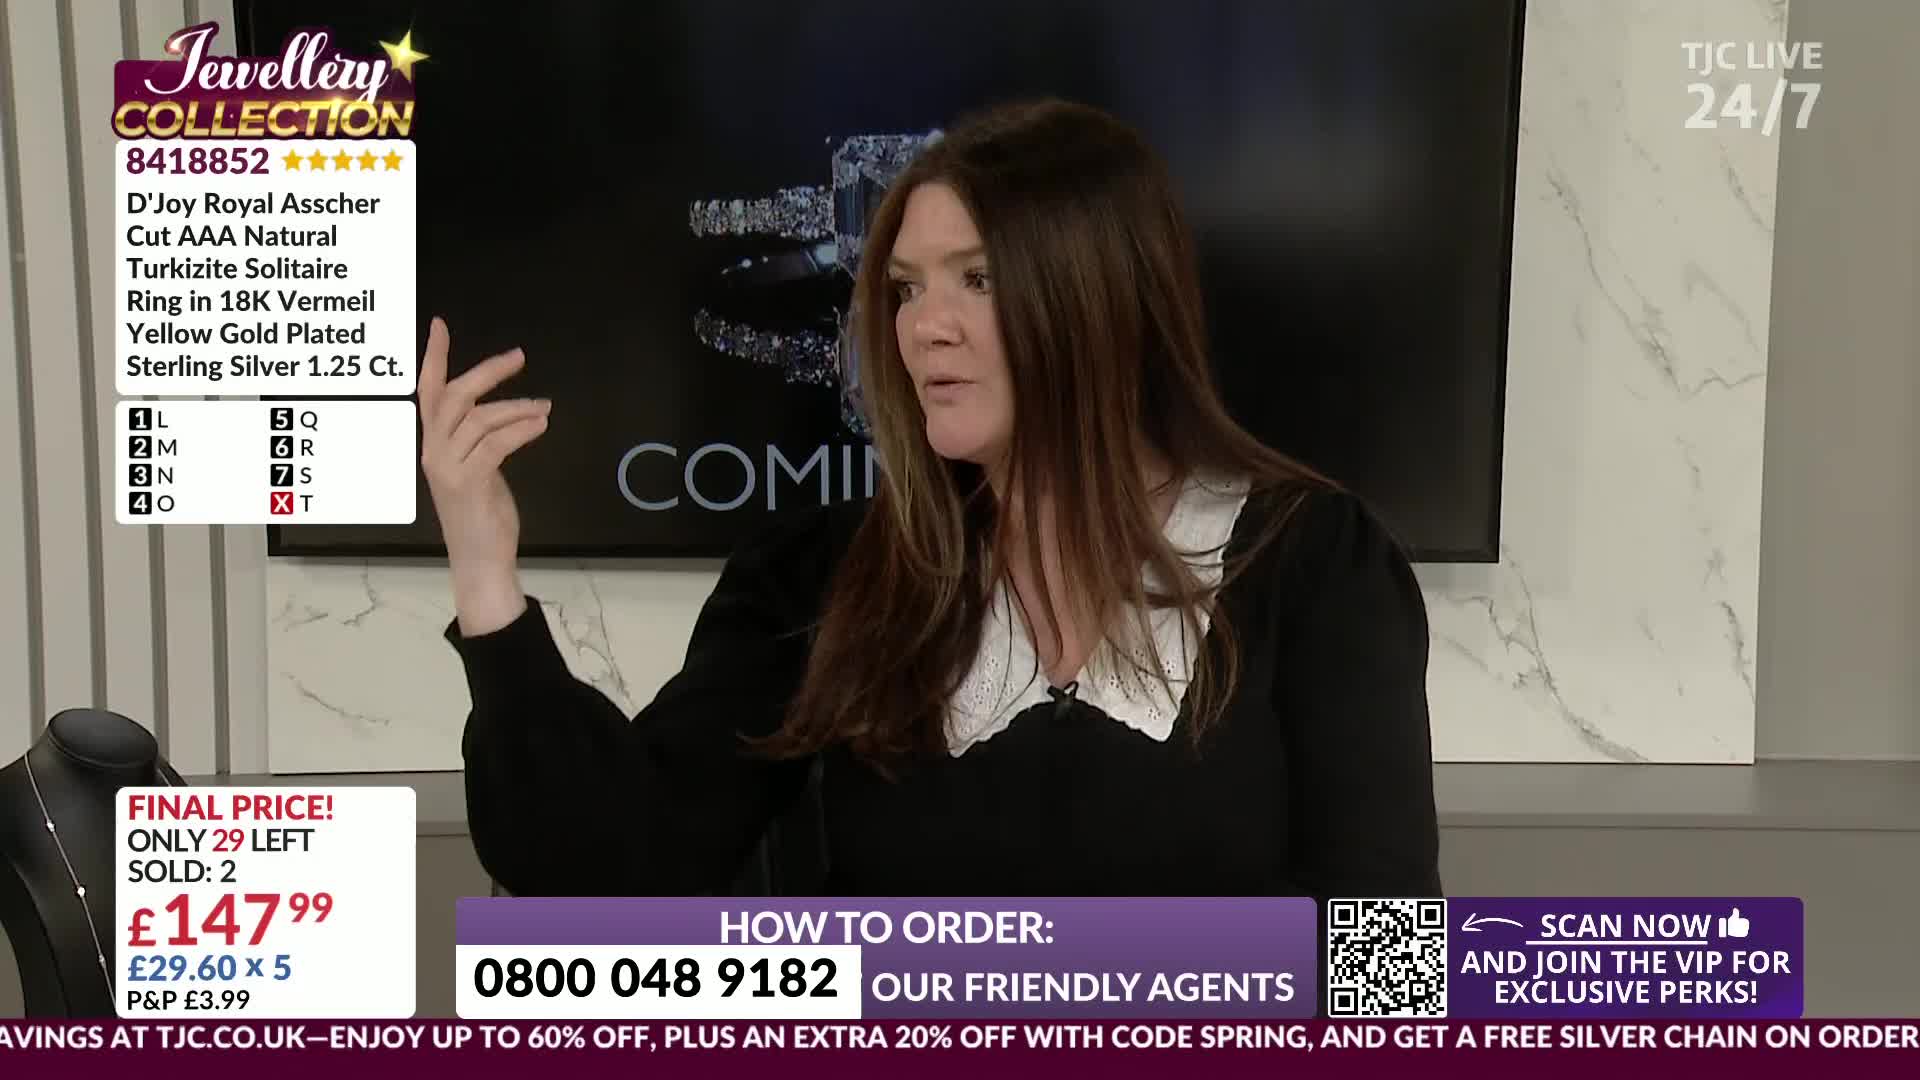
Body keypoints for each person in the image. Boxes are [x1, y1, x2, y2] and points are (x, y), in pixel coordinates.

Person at [425, 98, 1442, 901]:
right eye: (907, 287)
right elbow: (610, 865)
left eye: (978, 281)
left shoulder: (1313, 564)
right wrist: (484, 565)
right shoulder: (823, 572)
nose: (925, 328)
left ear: (1102, 299)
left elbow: (1388, 964)